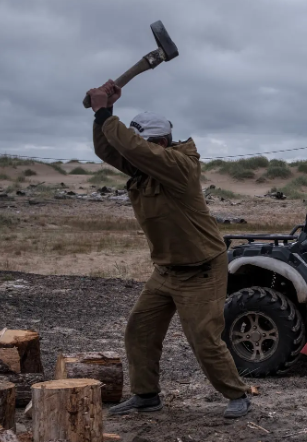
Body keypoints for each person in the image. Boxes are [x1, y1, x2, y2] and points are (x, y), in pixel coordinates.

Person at [87, 80, 251, 418]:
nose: (134, 153)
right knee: (140, 330)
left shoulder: (178, 167)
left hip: (201, 269)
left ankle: (238, 395)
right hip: (166, 270)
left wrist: (105, 111)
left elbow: (135, 149)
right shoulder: (145, 165)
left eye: (143, 146)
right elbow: (109, 149)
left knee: (203, 337)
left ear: (161, 143)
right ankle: (146, 396)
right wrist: (104, 115)